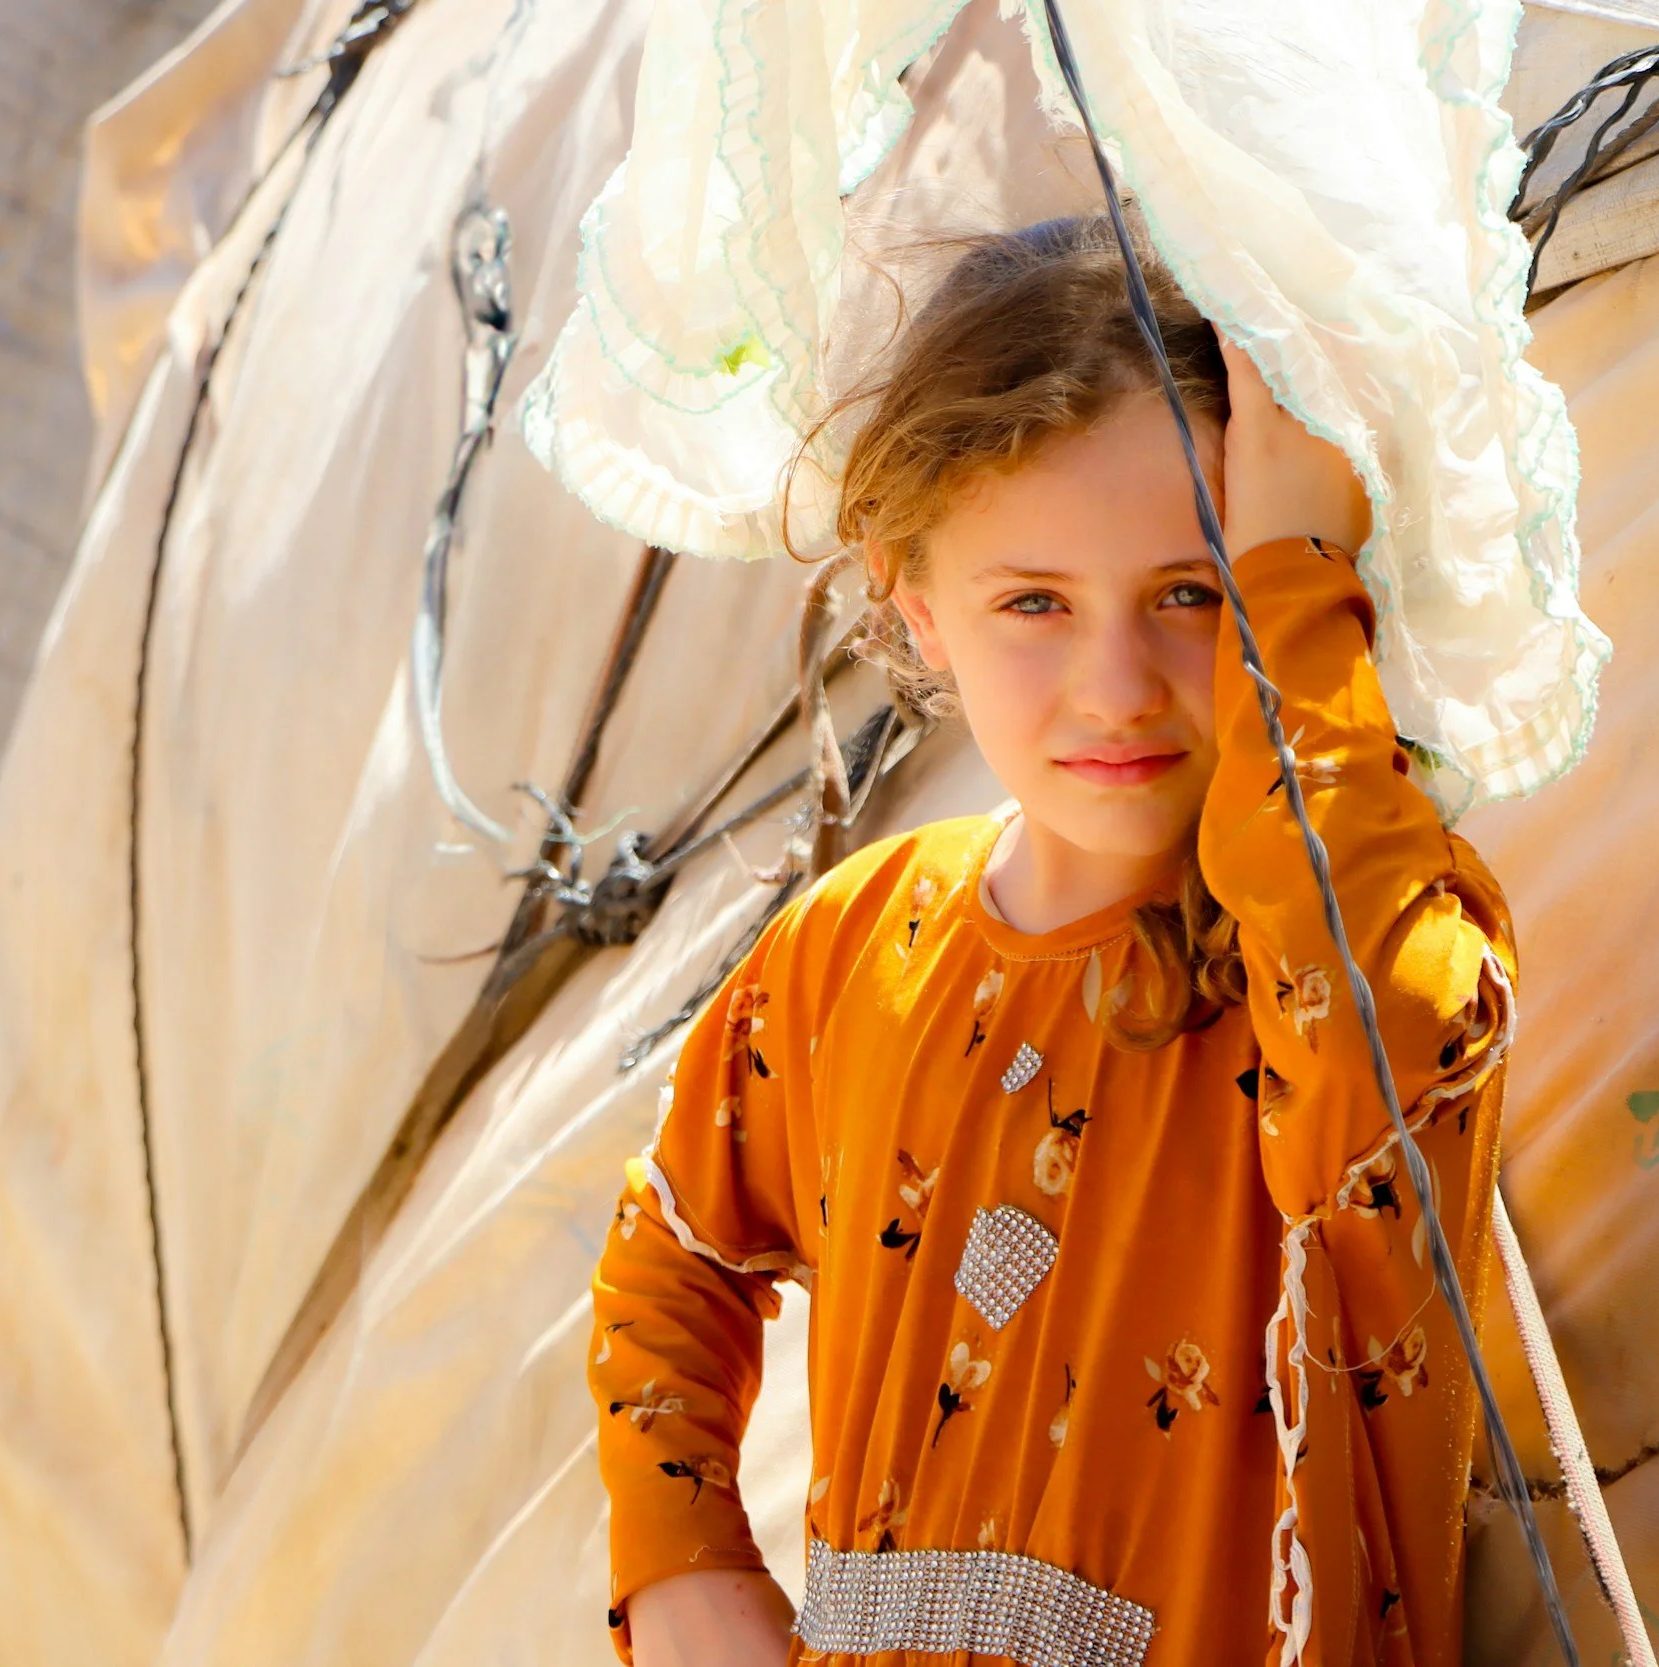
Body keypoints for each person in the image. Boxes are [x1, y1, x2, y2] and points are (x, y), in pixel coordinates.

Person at [586, 215, 1515, 1667]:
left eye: (1192, 595)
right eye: (1034, 602)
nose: (1117, 686)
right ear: (919, 606)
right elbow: (674, 1244)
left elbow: (1394, 1027)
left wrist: (1291, 572)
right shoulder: (846, 947)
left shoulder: (1352, 933)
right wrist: (679, 1563)